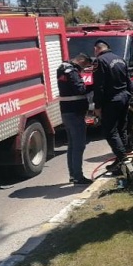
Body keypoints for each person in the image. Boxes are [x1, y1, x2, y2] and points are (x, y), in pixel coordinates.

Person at [92, 39, 133, 172]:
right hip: (124, 97)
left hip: (112, 100)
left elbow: (99, 86)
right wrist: (129, 96)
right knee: (122, 129)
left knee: (110, 131)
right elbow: (128, 80)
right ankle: (121, 161)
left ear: (97, 49)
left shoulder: (100, 61)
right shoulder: (120, 59)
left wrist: (97, 106)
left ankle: (124, 160)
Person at [57, 53, 93, 185]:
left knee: (72, 145)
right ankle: (78, 177)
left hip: (66, 112)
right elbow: (80, 89)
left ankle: (73, 175)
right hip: (75, 113)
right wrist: (92, 87)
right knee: (79, 146)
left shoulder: (62, 69)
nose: (83, 69)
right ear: (81, 60)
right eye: (84, 66)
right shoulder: (72, 72)